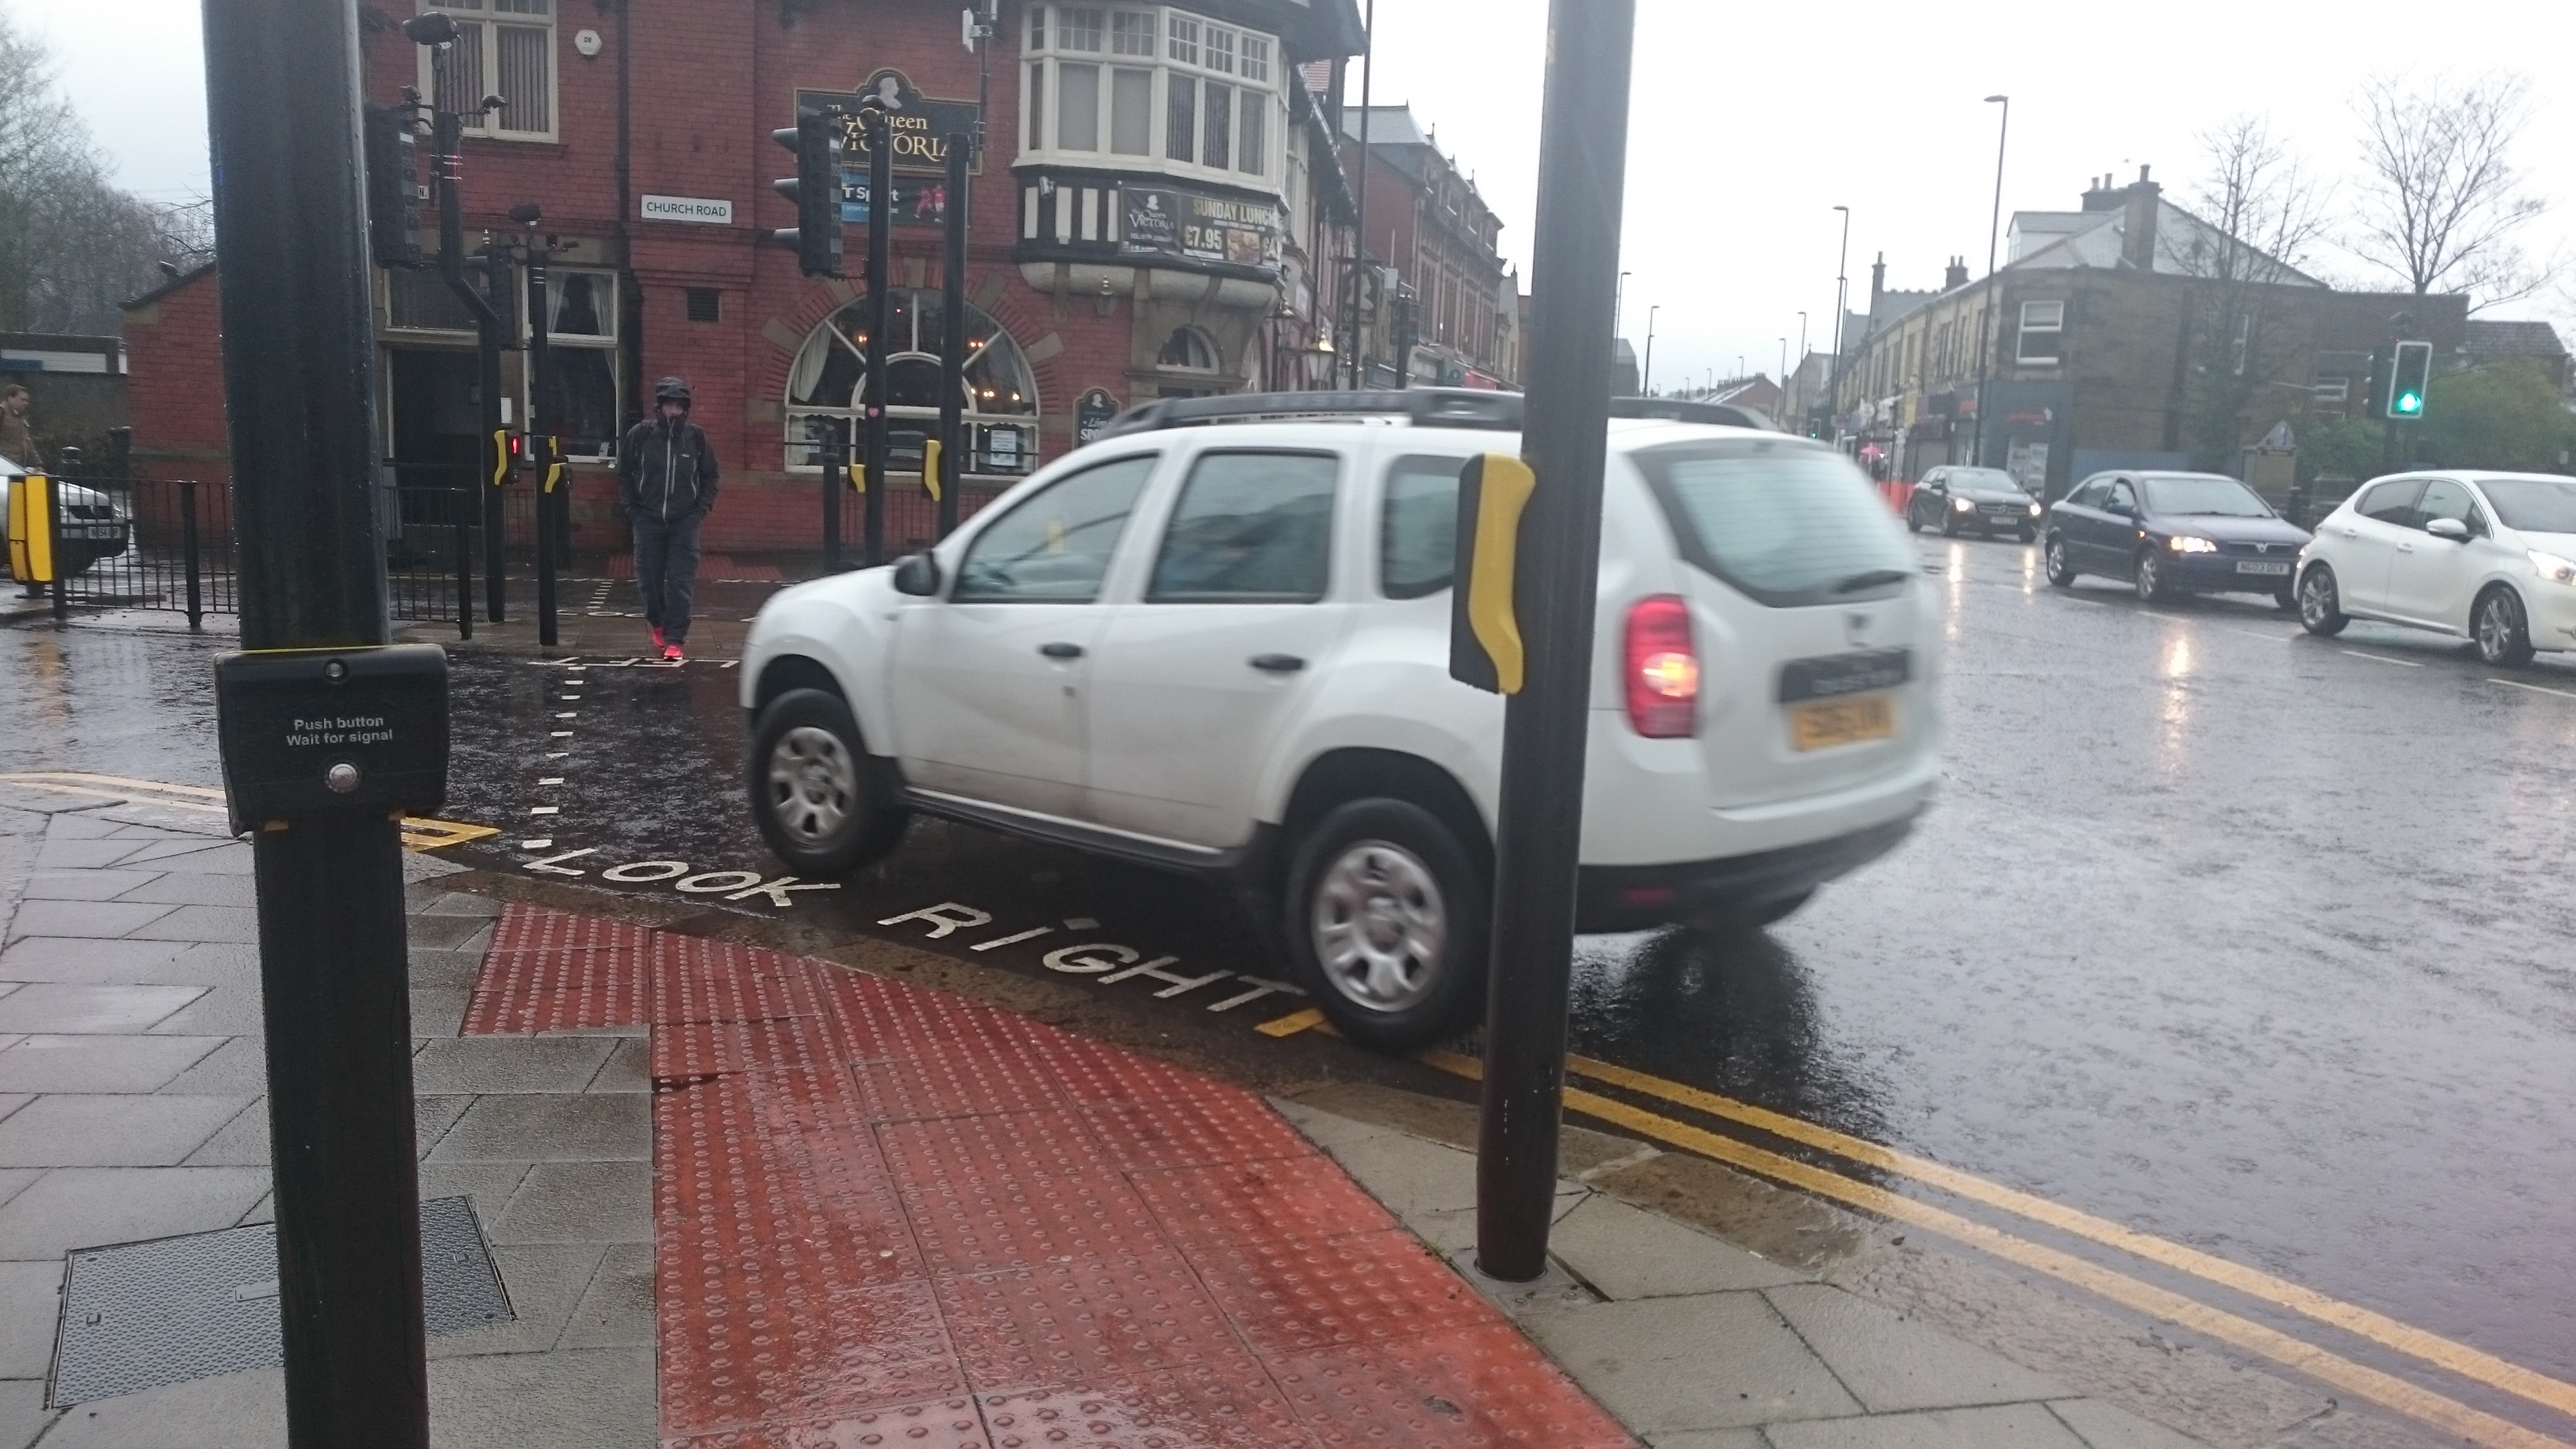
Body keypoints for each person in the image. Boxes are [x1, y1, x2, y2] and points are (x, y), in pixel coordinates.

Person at [617, 377, 719, 661]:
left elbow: (710, 476)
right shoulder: (640, 436)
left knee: (680, 581)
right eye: (668, 405)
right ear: (658, 407)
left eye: (678, 406)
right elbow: (624, 474)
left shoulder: (696, 438)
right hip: (647, 519)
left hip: (684, 522)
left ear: (685, 409)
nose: (673, 411)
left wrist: (699, 511)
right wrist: (633, 511)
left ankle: (675, 639)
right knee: (648, 580)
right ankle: (658, 623)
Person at [0, 384, 35, 465]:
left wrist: (37, 464)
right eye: (22, 400)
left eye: (27, 400)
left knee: (40, 478)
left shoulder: (20, 417)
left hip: (18, 465)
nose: (26, 403)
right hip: (5, 465)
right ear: (10, 398)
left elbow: (27, 442)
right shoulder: (2, 413)